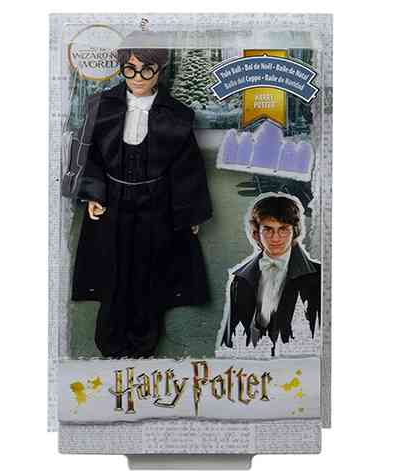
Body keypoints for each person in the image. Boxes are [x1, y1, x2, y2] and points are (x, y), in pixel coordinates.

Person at [70, 40, 212, 358]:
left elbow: (187, 165)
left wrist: (189, 212)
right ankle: (110, 341)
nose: (137, 78)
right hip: (113, 202)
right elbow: (88, 152)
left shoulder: (176, 115)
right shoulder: (102, 106)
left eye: (146, 70)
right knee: (113, 268)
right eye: (130, 69)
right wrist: (93, 193)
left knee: (152, 269)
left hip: (155, 204)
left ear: (159, 70)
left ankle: (144, 343)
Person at [220, 193, 320, 355]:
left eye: (283, 229)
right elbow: (230, 340)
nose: (275, 238)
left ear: (294, 231)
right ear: (256, 233)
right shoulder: (240, 280)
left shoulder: (319, 277)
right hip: (254, 364)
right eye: (268, 229)